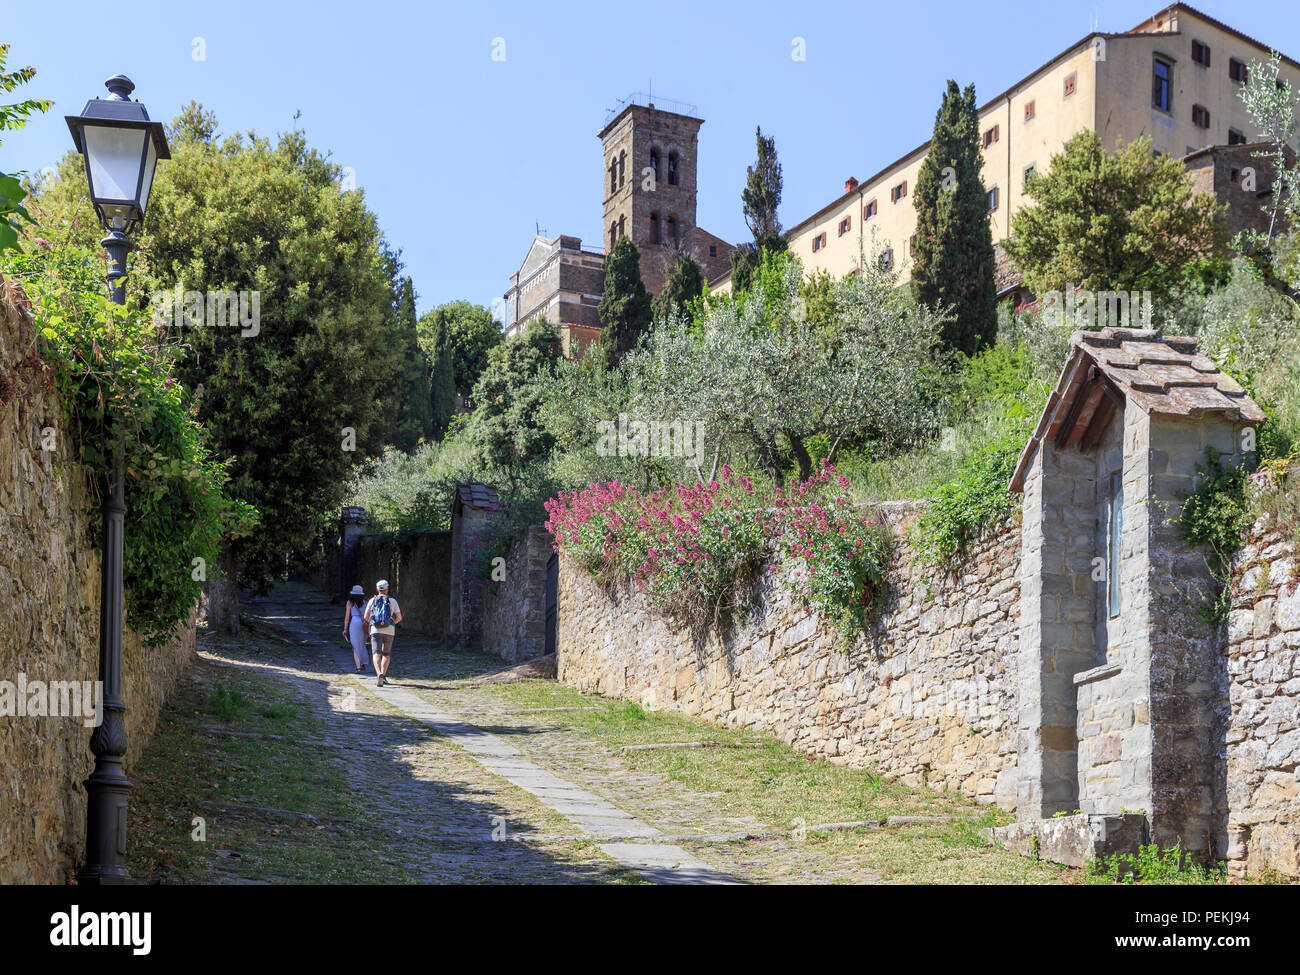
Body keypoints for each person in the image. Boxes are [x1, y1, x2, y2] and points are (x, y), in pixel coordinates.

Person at [363, 579, 402, 686]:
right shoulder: (393, 601)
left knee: (376, 653)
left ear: (377, 589)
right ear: (387, 589)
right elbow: (399, 617)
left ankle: (378, 673)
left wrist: (373, 623)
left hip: (375, 630)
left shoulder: (372, 600)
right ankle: (383, 676)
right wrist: (391, 623)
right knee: (386, 654)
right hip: (389, 630)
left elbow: (366, 617)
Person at [342, 585, 369, 673]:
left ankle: (358, 666)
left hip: (354, 622)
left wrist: (345, 629)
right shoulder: (366, 602)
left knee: (355, 645)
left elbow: (347, 617)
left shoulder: (350, 603)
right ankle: (363, 662)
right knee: (362, 643)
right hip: (364, 622)